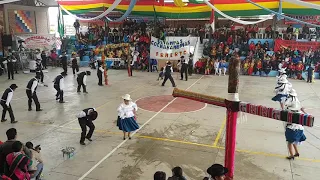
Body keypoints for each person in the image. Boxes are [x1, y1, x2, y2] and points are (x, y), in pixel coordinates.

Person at [283, 89, 307, 160]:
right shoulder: (300, 112)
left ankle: (291, 155)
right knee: (293, 141)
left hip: (291, 129)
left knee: (289, 142)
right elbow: (307, 116)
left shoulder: (289, 112)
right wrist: (303, 110)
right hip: (300, 129)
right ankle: (296, 152)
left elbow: (285, 104)